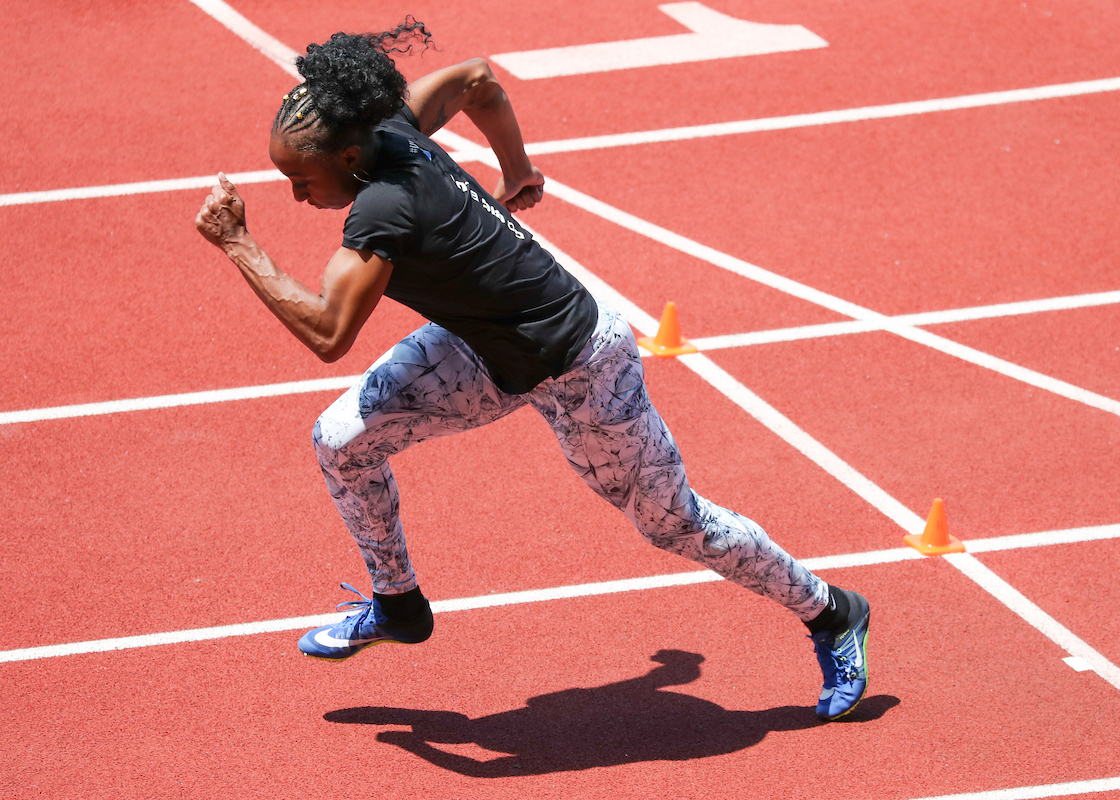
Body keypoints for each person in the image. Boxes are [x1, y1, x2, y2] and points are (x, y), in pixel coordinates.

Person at [195, 20, 870, 721]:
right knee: (341, 442)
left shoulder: (383, 209)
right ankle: (398, 604)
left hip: (580, 365)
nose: (296, 196)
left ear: (350, 154)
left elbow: (329, 331)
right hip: (485, 349)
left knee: (675, 525)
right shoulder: (391, 124)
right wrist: (516, 169)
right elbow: (477, 79)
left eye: (301, 180)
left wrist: (239, 243)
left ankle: (833, 612)